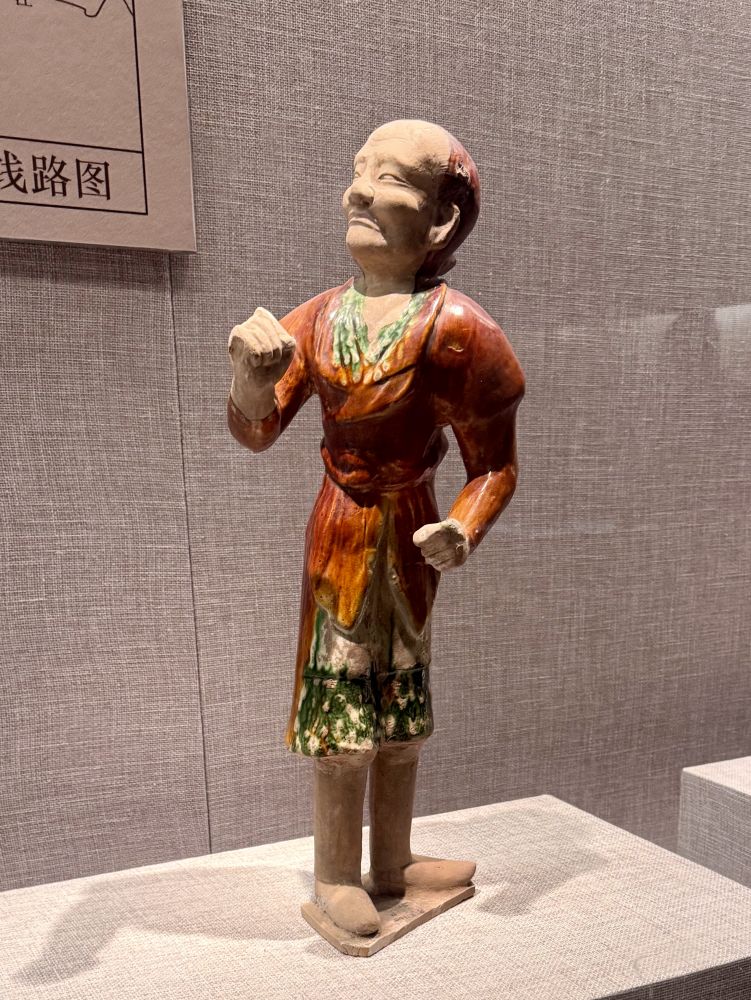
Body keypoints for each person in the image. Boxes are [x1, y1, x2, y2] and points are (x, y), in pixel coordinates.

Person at [227, 120, 524, 937]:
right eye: (358, 171)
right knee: (342, 712)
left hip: (411, 536)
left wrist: (462, 527)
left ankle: (390, 861)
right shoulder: (317, 320)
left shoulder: (459, 329)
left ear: (440, 220)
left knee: (401, 711)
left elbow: (494, 465)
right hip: (342, 531)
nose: (358, 190)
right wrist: (250, 380)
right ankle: (334, 875)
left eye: (390, 179)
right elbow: (256, 430)